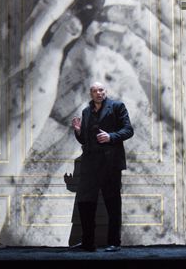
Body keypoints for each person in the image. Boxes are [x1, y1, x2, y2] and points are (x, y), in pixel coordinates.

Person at [70, 81, 133, 252]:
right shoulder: (86, 111)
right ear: (91, 93)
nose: (98, 93)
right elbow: (85, 140)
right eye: (94, 91)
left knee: (112, 203)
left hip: (110, 164)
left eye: (101, 90)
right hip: (90, 164)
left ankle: (114, 242)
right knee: (85, 202)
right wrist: (78, 131)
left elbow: (128, 130)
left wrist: (111, 136)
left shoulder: (117, 107)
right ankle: (88, 242)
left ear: (105, 91)